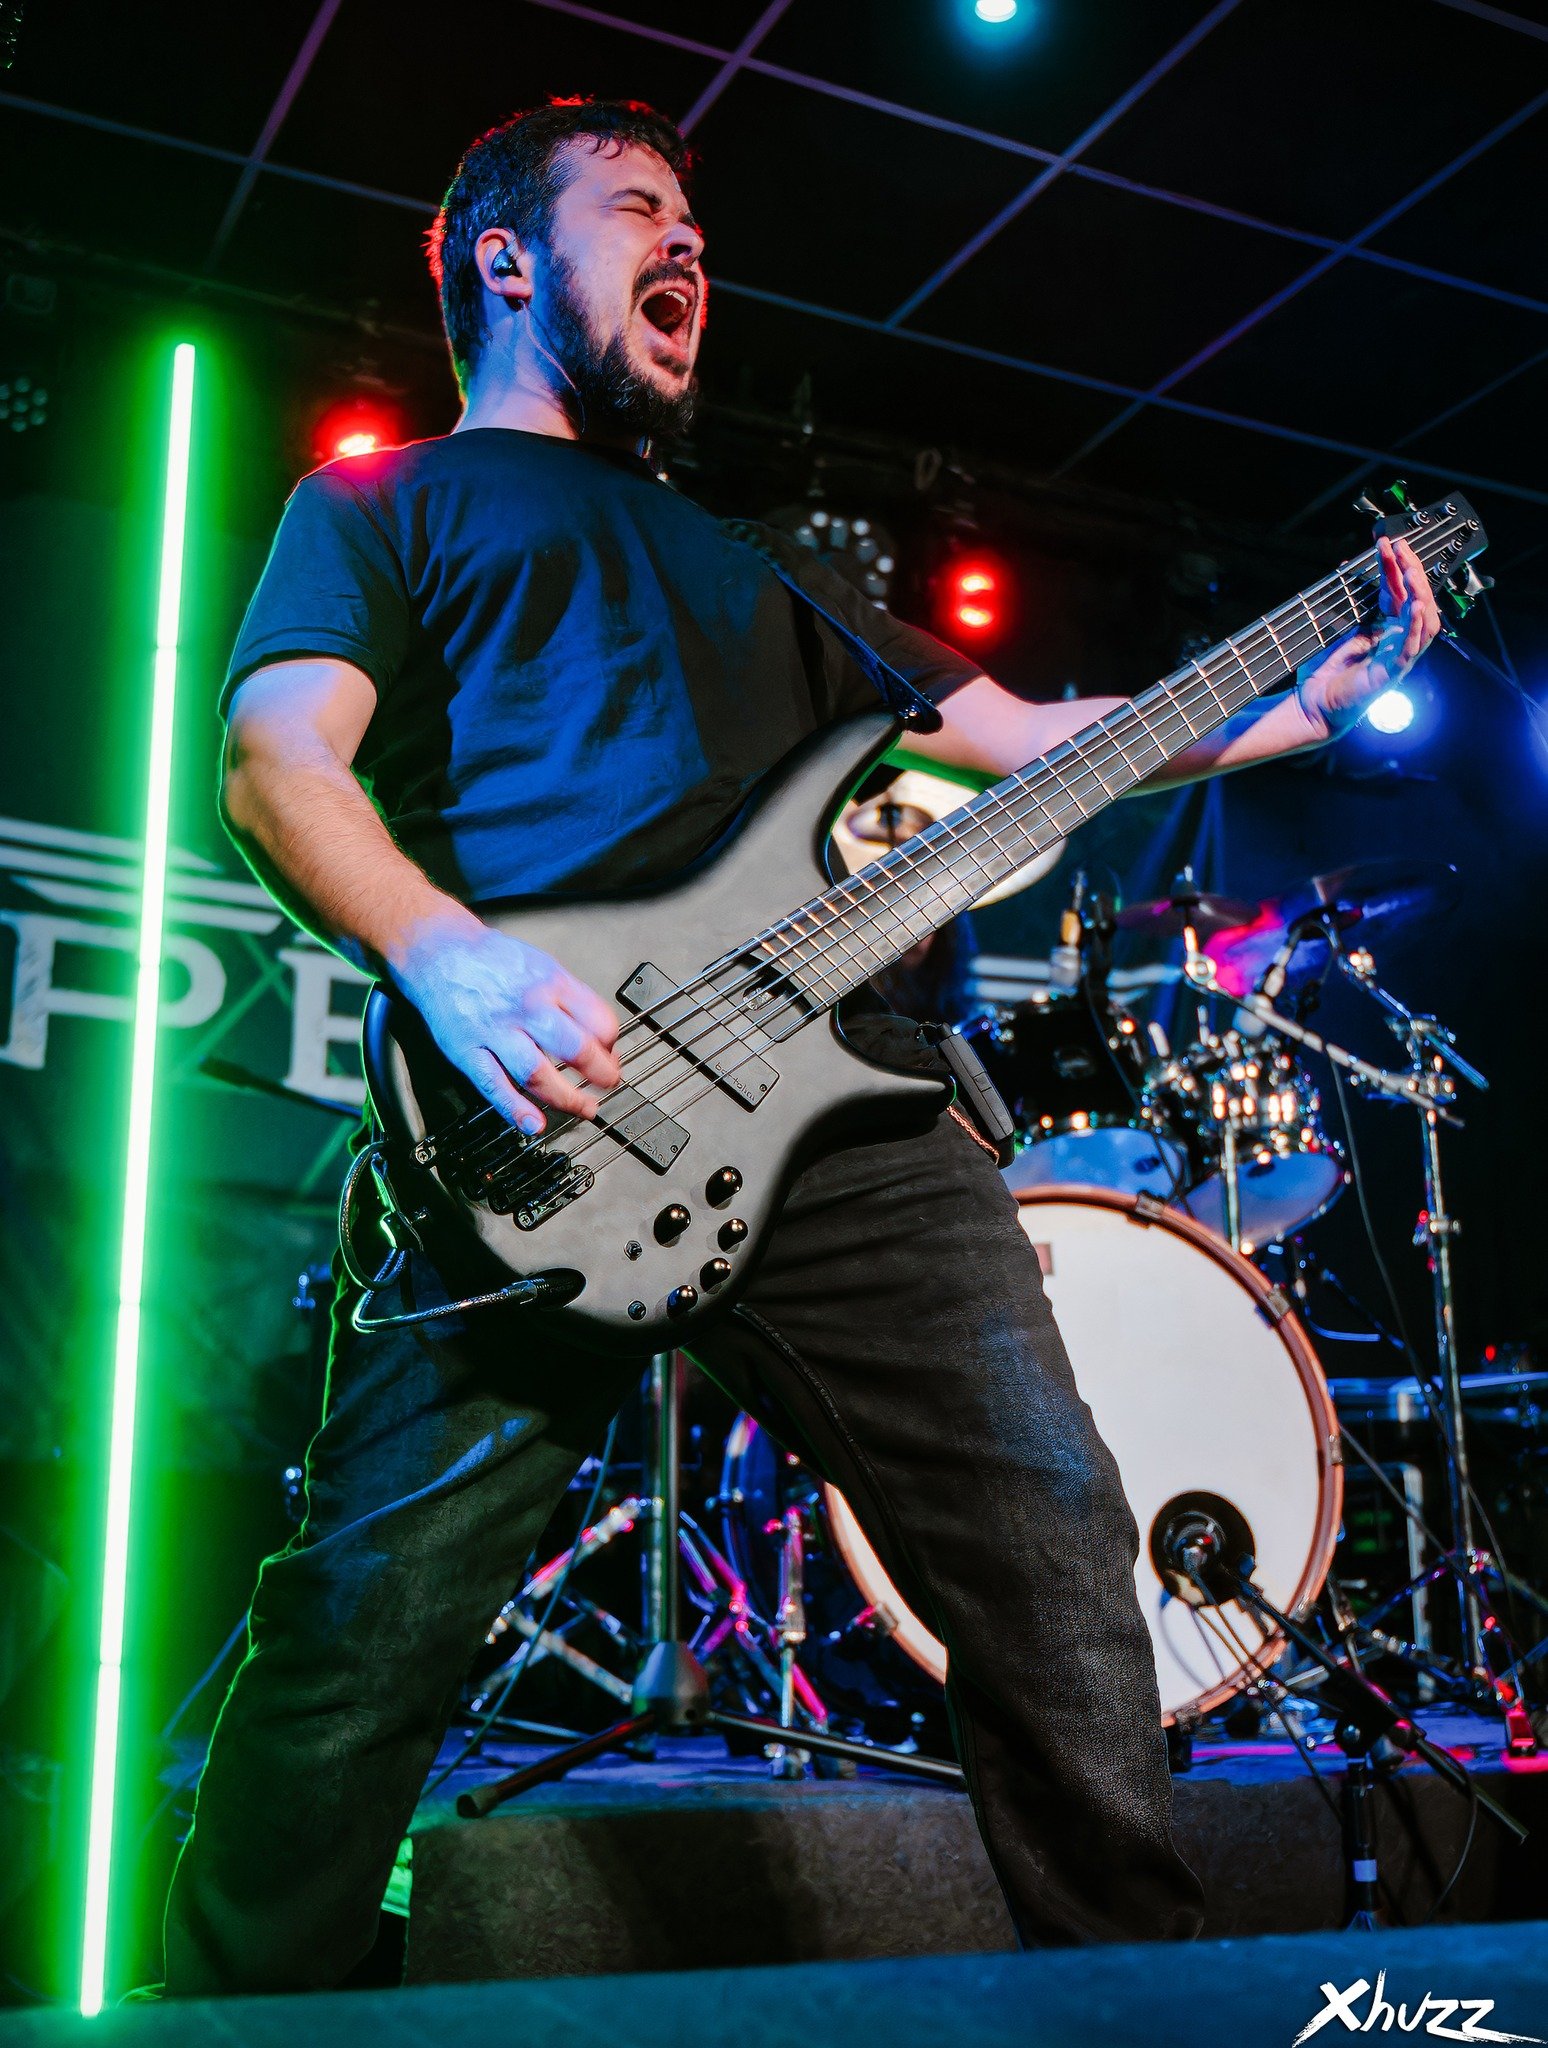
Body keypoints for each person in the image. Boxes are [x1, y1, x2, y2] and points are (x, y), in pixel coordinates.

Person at [164, 97, 1440, 1995]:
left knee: (1052, 1551)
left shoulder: (768, 563)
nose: (688, 243)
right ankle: (236, 2015)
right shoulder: (383, 505)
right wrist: (447, 959)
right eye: (637, 209)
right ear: (506, 259)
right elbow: (277, 763)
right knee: (361, 1630)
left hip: (847, 1117)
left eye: (695, 220)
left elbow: (1037, 746)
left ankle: (1136, 1999)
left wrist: (1299, 709)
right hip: (540, 1113)